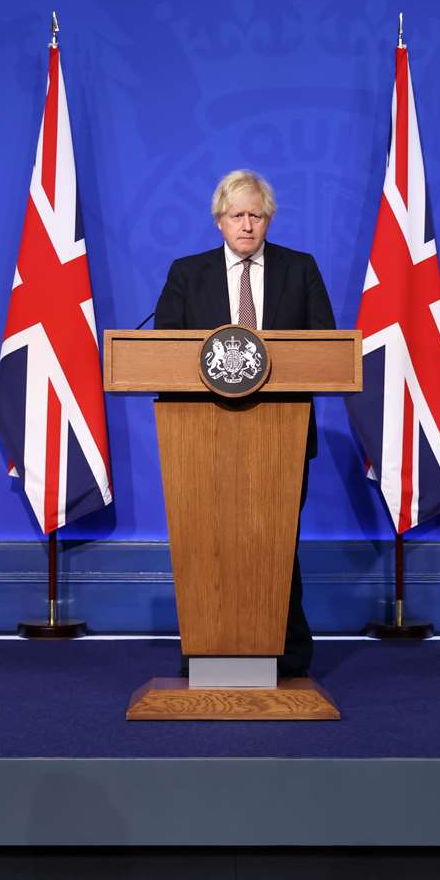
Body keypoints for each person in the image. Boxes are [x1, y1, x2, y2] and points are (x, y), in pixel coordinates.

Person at [153, 169, 334, 679]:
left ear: (269, 219)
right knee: (208, 546)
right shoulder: (188, 274)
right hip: (202, 438)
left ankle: (288, 655)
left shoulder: (300, 270)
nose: (248, 225)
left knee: (276, 544)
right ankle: (208, 650)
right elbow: (165, 349)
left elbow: (325, 347)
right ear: (219, 221)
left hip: (282, 433)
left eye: (257, 215)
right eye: (238, 215)